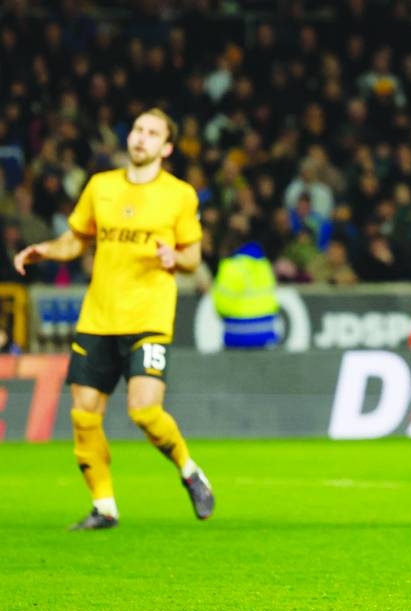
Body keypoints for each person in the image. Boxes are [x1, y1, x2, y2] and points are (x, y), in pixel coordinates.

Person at [14, 108, 215, 530]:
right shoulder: (101, 186)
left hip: (148, 317)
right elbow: (76, 241)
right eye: (138, 130)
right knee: (84, 414)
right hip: (98, 317)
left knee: (144, 412)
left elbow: (194, 257)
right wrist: (45, 250)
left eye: (152, 133)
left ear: (167, 147)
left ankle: (189, 470)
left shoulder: (180, 195)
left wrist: (174, 257)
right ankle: (104, 507)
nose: (141, 138)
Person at [212, 229, 280, 349]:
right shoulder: (264, 264)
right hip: (267, 331)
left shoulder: (230, 266)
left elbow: (221, 305)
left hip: (237, 332)